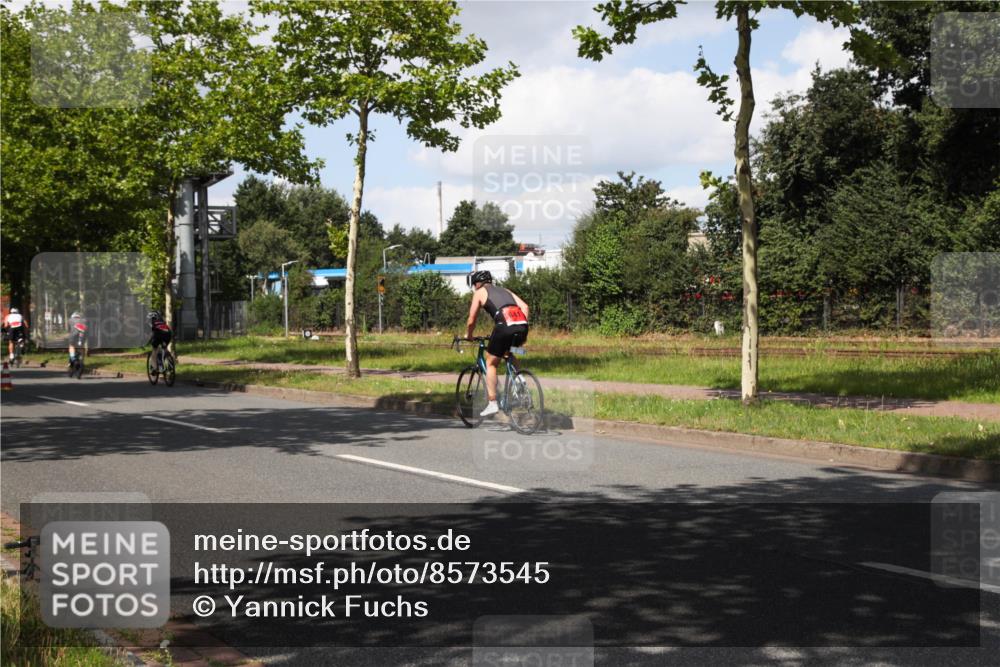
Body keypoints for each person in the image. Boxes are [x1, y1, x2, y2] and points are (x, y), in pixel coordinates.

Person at [464, 270, 530, 417]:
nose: (475, 287)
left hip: (504, 325)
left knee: (491, 363)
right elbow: (525, 307)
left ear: (478, 283)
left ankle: (492, 402)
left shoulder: (480, 292)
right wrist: (521, 326)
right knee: (510, 351)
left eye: (474, 284)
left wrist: (469, 335)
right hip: (522, 324)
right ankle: (519, 378)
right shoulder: (504, 290)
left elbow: (471, 319)